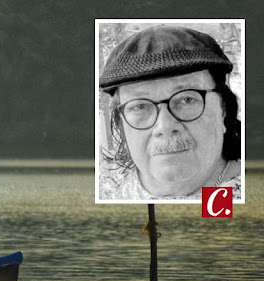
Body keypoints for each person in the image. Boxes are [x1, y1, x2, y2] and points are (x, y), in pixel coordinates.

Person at [98, 25, 241, 200]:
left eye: (187, 99)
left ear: (223, 109)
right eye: (140, 106)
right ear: (121, 122)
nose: (165, 126)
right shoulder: (102, 187)